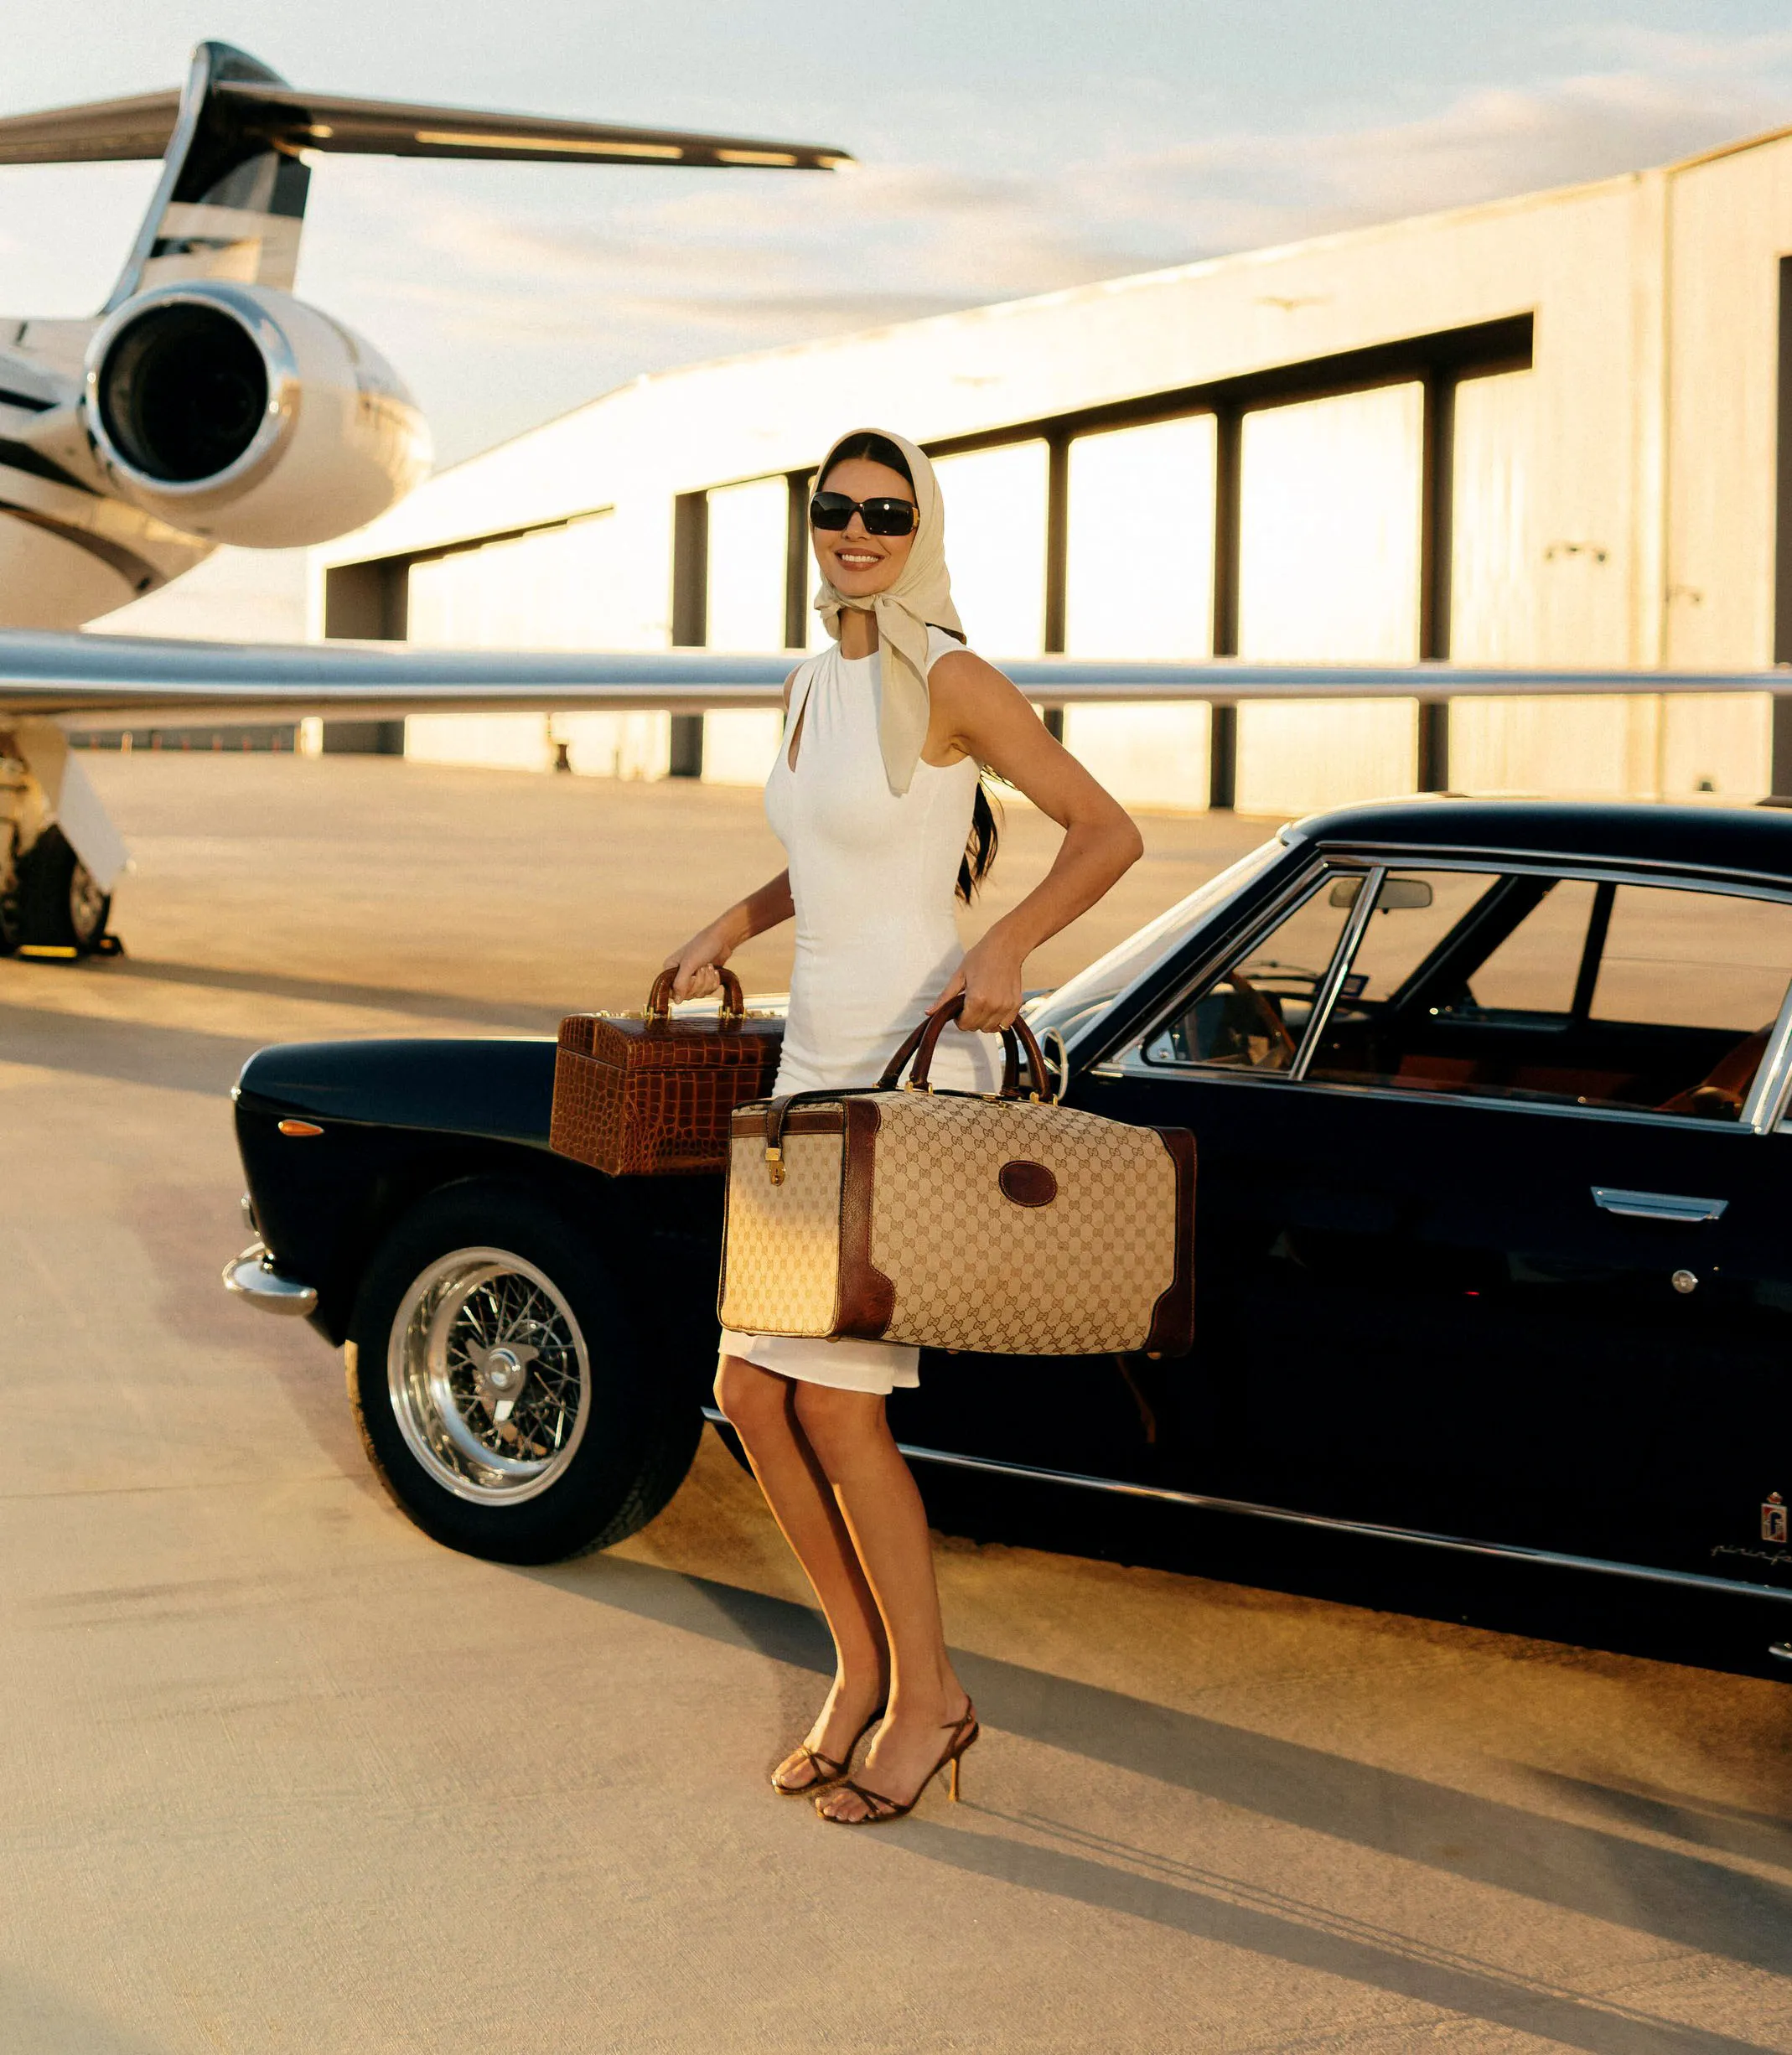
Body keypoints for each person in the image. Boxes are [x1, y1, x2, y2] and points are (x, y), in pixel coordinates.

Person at [664, 427, 1142, 1824]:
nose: (856, 530)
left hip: (911, 1073)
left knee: (839, 1410)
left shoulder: (952, 678)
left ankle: (927, 1698)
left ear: (918, 522)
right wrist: (729, 923)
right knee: (753, 1394)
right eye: (835, 510)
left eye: (884, 510)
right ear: (811, 524)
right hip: (813, 1062)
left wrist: (1005, 950)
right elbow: (832, 853)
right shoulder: (816, 681)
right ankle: (859, 1663)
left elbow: (1103, 832)